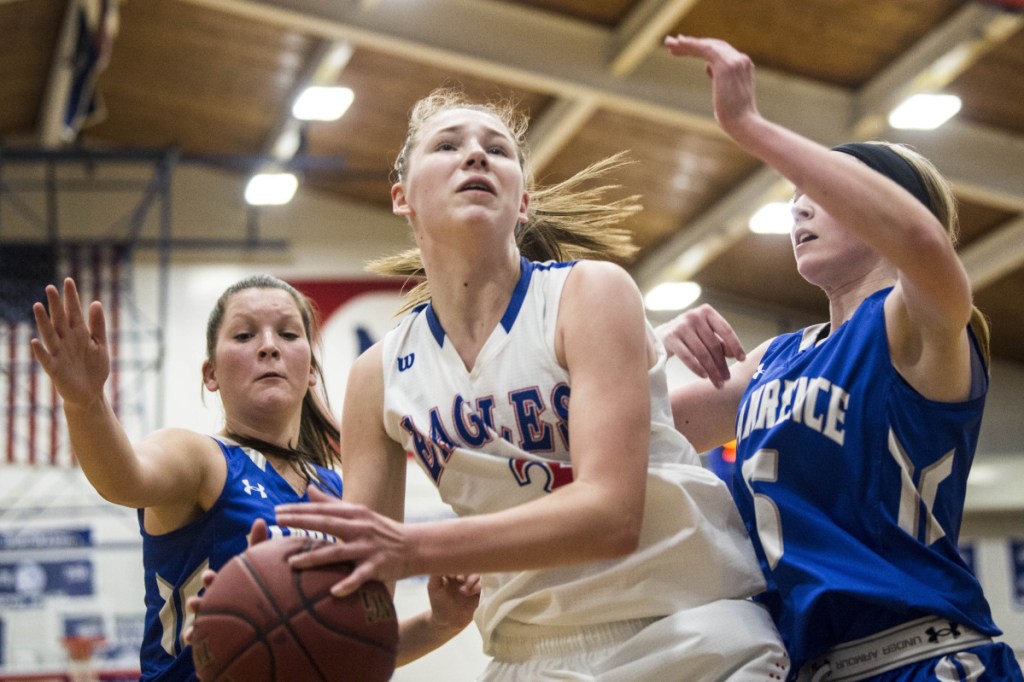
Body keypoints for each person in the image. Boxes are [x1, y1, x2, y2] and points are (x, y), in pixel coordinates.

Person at [268, 87, 790, 681]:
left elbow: (609, 516)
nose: (475, 156)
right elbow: (363, 590)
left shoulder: (590, 293)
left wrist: (418, 548)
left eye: (497, 149)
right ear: (401, 198)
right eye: (447, 145)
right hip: (529, 659)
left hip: (686, 632)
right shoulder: (378, 373)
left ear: (523, 202)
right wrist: (271, 599)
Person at [659, 35, 1024, 682]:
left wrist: (747, 125)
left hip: (923, 655)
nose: (799, 202)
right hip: (808, 665)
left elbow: (918, 237)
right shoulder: (776, 357)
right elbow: (646, 425)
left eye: (820, 191)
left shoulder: (921, 324)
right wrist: (656, 339)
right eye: (794, 195)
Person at [31, 275, 479, 682]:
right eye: (245, 335)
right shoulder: (202, 459)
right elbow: (124, 479)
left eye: (287, 333)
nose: (269, 346)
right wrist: (84, 402)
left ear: (310, 373)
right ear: (211, 374)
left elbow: (339, 645)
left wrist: (440, 622)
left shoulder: (340, 492)